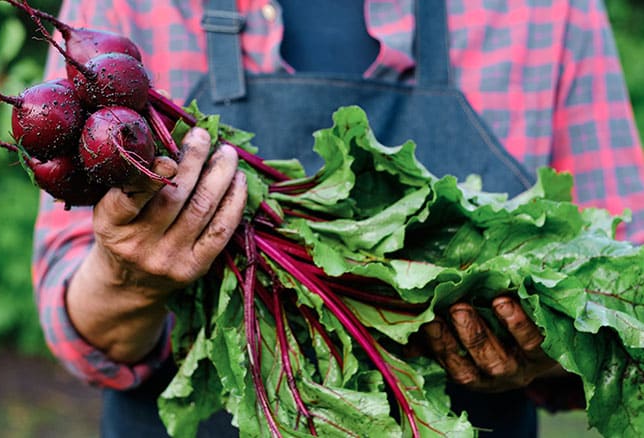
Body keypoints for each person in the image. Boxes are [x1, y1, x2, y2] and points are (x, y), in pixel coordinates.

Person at [33, 0, 644, 437]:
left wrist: (555, 344)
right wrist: (126, 281)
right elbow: (77, 330)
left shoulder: (550, 11)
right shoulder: (136, 7)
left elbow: (625, 282)